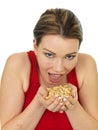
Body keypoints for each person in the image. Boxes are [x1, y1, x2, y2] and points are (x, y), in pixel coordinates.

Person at [0, 8, 98, 130]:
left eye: (69, 56)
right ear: (35, 46)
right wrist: (38, 104)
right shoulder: (18, 64)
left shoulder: (86, 64)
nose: (59, 68)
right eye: (49, 55)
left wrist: (73, 107)